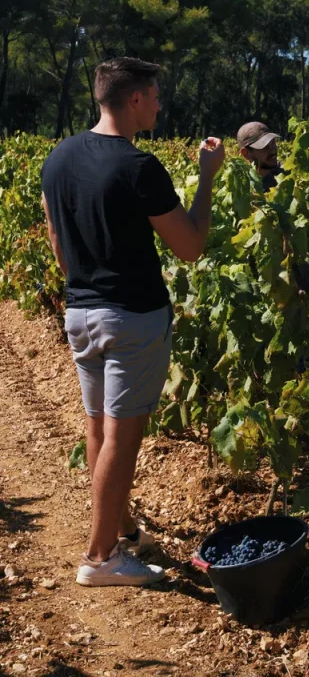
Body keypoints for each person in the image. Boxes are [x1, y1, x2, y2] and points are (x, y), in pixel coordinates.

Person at [41, 57, 225, 587]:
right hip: (133, 319)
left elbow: (57, 240)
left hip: (81, 313)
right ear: (136, 99)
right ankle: (100, 558)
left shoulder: (58, 158)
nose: (161, 104)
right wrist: (206, 180)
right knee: (123, 436)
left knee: (99, 425)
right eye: (156, 95)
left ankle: (121, 533)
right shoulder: (138, 166)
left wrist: (84, 282)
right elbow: (190, 247)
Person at [236, 121, 283, 191]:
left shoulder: (286, 176)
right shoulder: (239, 187)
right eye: (264, 146)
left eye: (273, 142)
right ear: (245, 153)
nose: (273, 150)